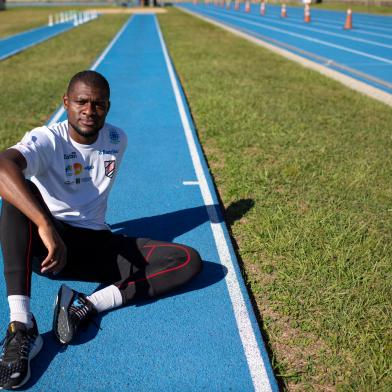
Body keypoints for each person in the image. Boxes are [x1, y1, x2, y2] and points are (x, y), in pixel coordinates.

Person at [0, 70, 202, 390]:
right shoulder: (48, 139)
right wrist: (45, 225)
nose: (89, 111)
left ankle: (86, 305)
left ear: (108, 107)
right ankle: (22, 325)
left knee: (186, 260)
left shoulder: (116, 139)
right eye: (81, 102)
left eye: (98, 104)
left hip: (96, 242)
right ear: (66, 103)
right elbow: (2, 165)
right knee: (13, 196)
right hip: (50, 246)